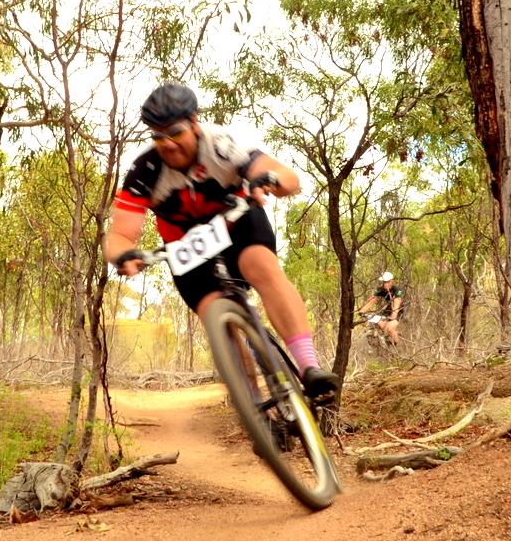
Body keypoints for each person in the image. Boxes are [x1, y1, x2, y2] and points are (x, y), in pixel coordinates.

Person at [103, 82, 340, 403]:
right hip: (186, 247)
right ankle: (255, 407)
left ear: (195, 122)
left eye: (175, 132)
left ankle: (309, 367)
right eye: (158, 136)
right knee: (219, 322)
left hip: (235, 224)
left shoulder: (219, 145)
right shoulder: (145, 170)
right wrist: (122, 256)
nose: (168, 144)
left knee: (261, 266)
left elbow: (285, 176)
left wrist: (268, 180)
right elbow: (119, 235)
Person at [359, 272, 404, 345]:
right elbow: (372, 300)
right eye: (384, 282)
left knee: (389, 329)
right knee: (378, 324)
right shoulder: (381, 289)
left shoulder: (397, 290)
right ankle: (380, 346)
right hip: (387, 311)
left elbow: (397, 303)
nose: (385, 284)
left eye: (387, 282)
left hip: (398, 312)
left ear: (392, 281)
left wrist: (393, 316)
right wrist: (362, 311)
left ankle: (396, 346)